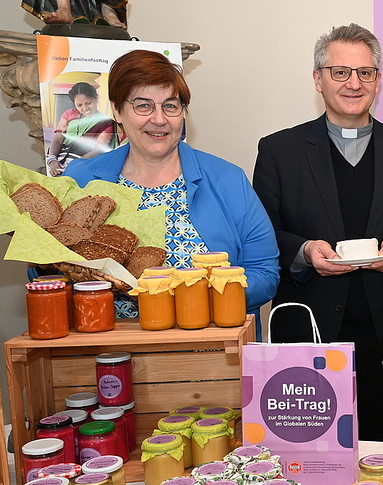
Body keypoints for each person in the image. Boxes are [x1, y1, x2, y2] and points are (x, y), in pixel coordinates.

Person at [253, 24, 383, 443]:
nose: (354, 83)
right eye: (340, 72)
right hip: (308, 332)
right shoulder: (279, 151)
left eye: (365, 73)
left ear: (378, 80)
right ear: (318, 79)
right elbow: (262, 236)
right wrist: (304, 251)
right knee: (306, 458)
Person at [63, 50, 279, 321]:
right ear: (117, 110)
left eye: (170, 106)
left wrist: (203, 299)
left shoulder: (228, 180)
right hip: (106, 342)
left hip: (208, 344)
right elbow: (47, 268)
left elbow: (264, 273)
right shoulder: (80, 180)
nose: (159, 119)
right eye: (143, 106)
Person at [46, 82, 117, 176]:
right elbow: (58, 140)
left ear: (96, 99)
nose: (85, 108)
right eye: (79, 105)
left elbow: (98, 150)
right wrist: (52, 160)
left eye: (88, 103)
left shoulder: (106, 123)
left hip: (84, 164)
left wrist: (74, 166)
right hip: (59, 161)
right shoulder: (68, 115)